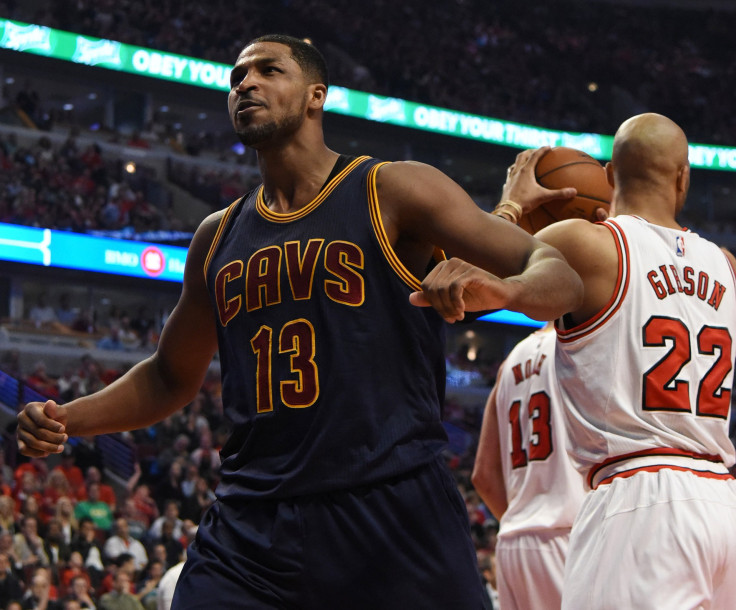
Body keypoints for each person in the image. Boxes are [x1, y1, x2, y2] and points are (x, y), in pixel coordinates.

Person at [16, 35, 582, 609]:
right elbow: (168, 376)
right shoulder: (216, 237)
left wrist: (505, 289)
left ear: (317, 96)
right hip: (251, 522)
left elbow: (557, 273)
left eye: (268, 70)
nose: (246, 84)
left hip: (392, 508)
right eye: (237, 77)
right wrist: (68, 419)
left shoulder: (392, 189)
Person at [529, 113, 736, 608]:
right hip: (723, 500)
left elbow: (458, 282)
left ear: (607, 174)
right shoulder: (726, 265)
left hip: (638, 499)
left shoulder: (587, 243)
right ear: (684, 177)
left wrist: (514, 205)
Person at [472, 323, 586, 610]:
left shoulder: (510, 360)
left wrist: (526, 518)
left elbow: (483, 476)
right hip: (571, 535)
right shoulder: (584, 342)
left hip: (514, 544)